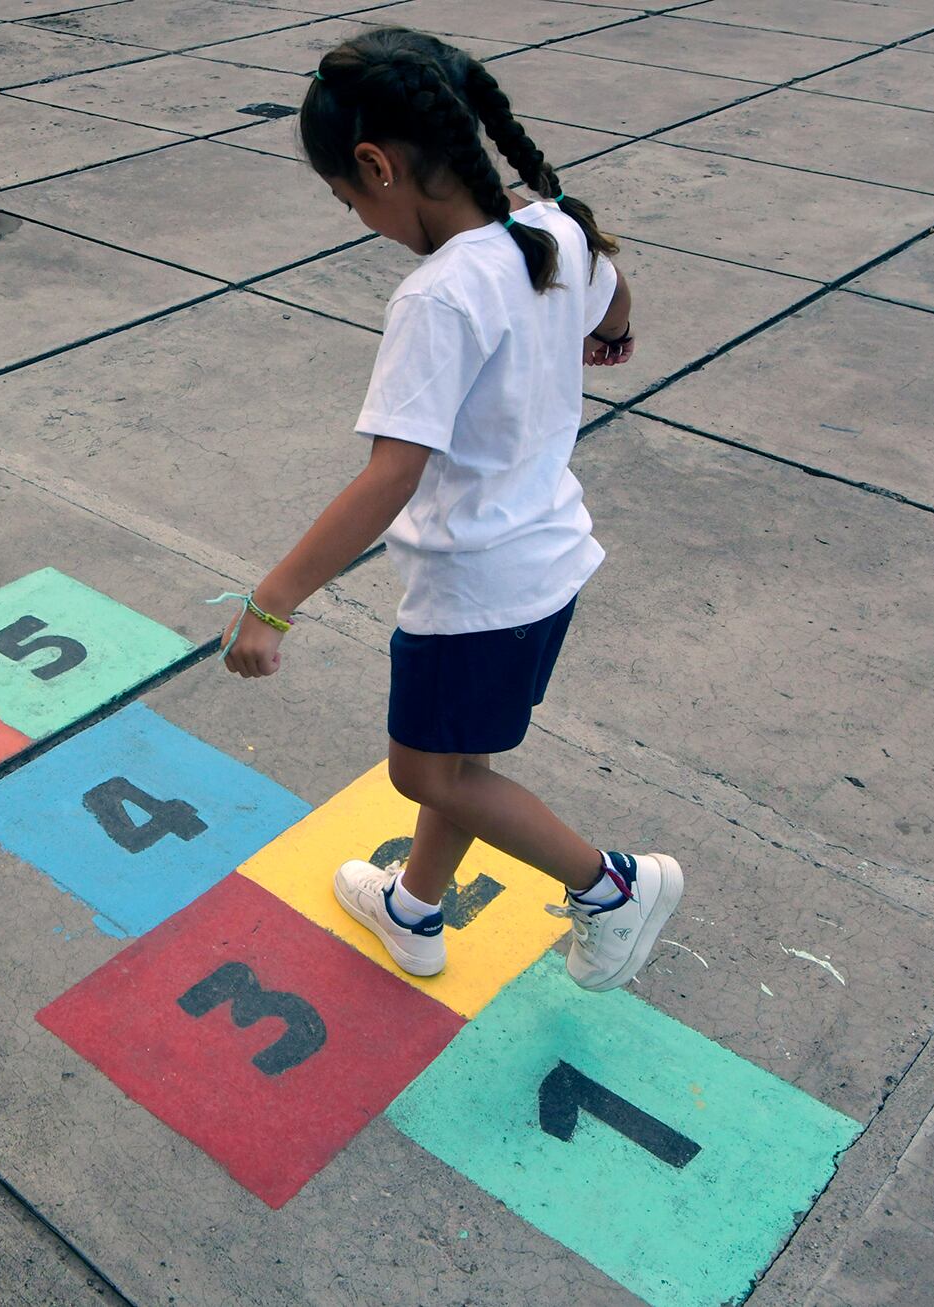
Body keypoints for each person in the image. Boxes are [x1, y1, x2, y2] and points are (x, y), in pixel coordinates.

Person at [220, 27, 680, 992]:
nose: (357, 216)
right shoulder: (551, 229)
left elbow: (392, 474)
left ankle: (613, 889)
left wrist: (274, 600)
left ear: (377, 166)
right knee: (458, 757)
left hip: (474, 588)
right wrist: (618, 330)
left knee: (426, 774)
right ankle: (412, 908)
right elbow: (611, 288)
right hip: (548, 563)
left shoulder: (439, 294)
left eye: (348, 199)